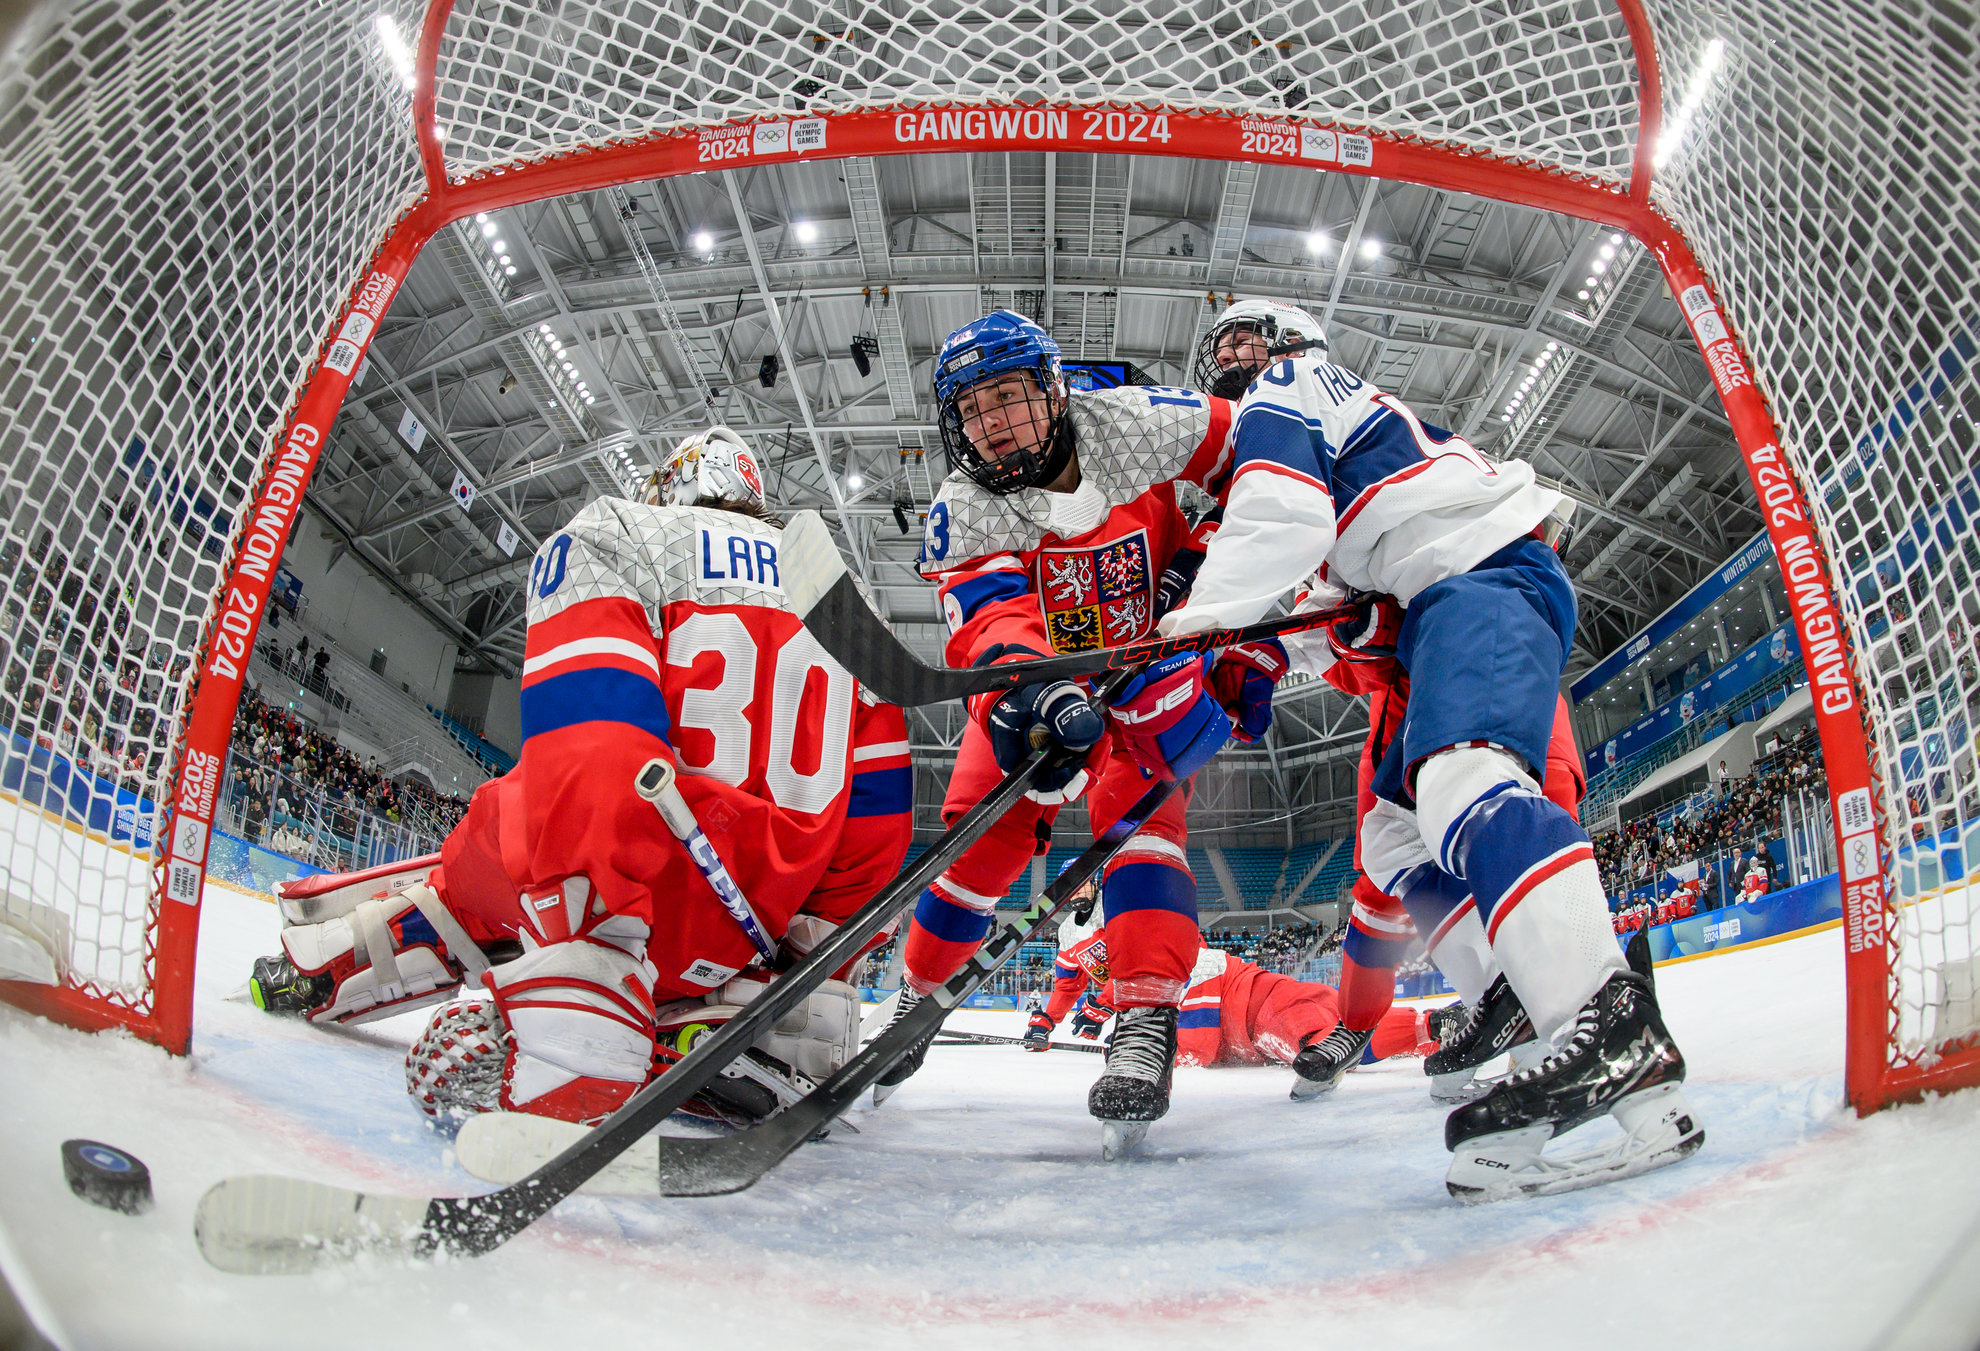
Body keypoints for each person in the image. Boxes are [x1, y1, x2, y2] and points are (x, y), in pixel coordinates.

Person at [1166, 296, 1701, 1198]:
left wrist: (1189, 632)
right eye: (1222, 347)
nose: (1232, 356)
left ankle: (1608, 1024)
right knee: (1395, 837)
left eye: (1245, 340)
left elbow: (1274, 524)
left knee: (1463, 779)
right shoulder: (1336, 445)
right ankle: (1536, 1001)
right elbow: (1316, 606)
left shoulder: (1288, 390)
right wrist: (1251, 656)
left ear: (1291, 345)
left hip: (1483, 575)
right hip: (1441, 602)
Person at [246, 427, 913, 1126]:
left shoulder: (619, 531)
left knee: (488, 846)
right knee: (524, 840)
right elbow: (877, 821)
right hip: (749, 935)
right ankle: (773, 1026)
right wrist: (810, 960)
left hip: (626, 905)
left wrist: (598, 930)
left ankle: (328, 964)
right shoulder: (839, 600)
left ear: (670, 485)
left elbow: (593, 747)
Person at [879, 309, 1270, 1156]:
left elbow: (1267, 458)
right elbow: (987, 622)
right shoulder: (966, 508)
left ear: (1054, 392)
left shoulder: (1139, 424)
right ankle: (918, 992)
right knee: (978, 837)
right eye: (971, 411)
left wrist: (1208, 561)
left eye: (1007, 399)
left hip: (1144, 666)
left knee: (1144, 835)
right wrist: (1033, 690)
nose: (990, 425)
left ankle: (1145, 1019)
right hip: (1036, 682)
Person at [1028, 874, 1433, 1075]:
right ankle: (1427, 1028)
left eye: (1081, 882)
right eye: (1069, 886)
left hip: (1204, 981)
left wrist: (1106, 1010)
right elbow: (1069, 982)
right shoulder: (1068, 934)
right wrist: (1046, 1020)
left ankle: (1429, 1027)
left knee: (1308, 1024)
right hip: (1176, 1002)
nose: (1076, 891)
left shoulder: (1119, 904)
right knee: (1312, 1034)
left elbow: (1149, 962)